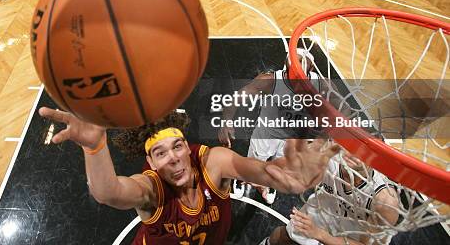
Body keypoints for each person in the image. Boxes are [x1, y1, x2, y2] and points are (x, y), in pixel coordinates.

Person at [38, 107, 339, 244]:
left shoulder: (213, 163)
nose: (174, 158)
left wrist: (290, 175)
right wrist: (94, 147)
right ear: (151, 163)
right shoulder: (151, 189)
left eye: (177, 146)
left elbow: (262, 171)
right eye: (161, 153)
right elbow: (109, 192)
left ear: (186, 146)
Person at [219, 49, 324, 204]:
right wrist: (226, 121)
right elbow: (239, 95)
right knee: (252, 164)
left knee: (278, 167)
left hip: (291, 140)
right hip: (266, 133)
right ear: (286, 66)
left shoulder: (321, 85)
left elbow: (344, 109)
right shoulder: (271, 80)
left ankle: (268, 185)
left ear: (311, 69)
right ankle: (241, 179)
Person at [261, 152, 399, 245]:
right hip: (321, 215)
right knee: (280, 237)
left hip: (349, 238)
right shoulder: (330, 157)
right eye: (353, 145)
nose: (354, 153)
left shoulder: (385, 202)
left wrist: (320, 235)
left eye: (364, 151)